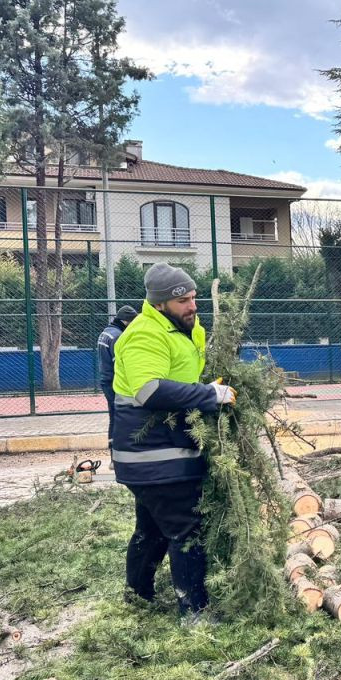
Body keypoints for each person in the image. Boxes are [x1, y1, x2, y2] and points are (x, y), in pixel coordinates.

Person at [111, 263, 235, 623]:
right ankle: (195, 612)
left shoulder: (184, 327)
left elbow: (184, 374)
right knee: (186, 529)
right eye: (183, 300)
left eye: (193, 297)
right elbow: (149, 390)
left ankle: (138, 595)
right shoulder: (144, 334)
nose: (192, 306)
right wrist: (209, 395)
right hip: (152, 453)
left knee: (152, 528)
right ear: (161, 303)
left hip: (164, 450)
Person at [97, 305, 138, 447]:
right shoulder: (117, 336)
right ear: (126, 321)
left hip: (105, 379)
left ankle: (113, 450)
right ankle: (119, 450)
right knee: (121, 415)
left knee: (113, 415)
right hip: (114, 381)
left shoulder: (106, 332)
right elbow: (119, 363)